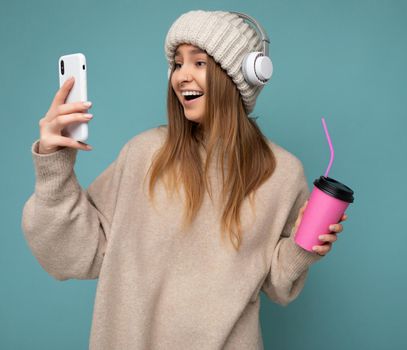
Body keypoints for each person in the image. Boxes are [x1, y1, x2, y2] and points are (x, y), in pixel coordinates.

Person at [21, 10, 348, 350]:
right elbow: (70, 253)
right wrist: (53, 164)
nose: (181, 76)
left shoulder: (281, 172)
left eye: (199, 63)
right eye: (178, 64)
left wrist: (303, 247)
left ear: (243, 75)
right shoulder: (145, 154)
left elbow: (279, 284)